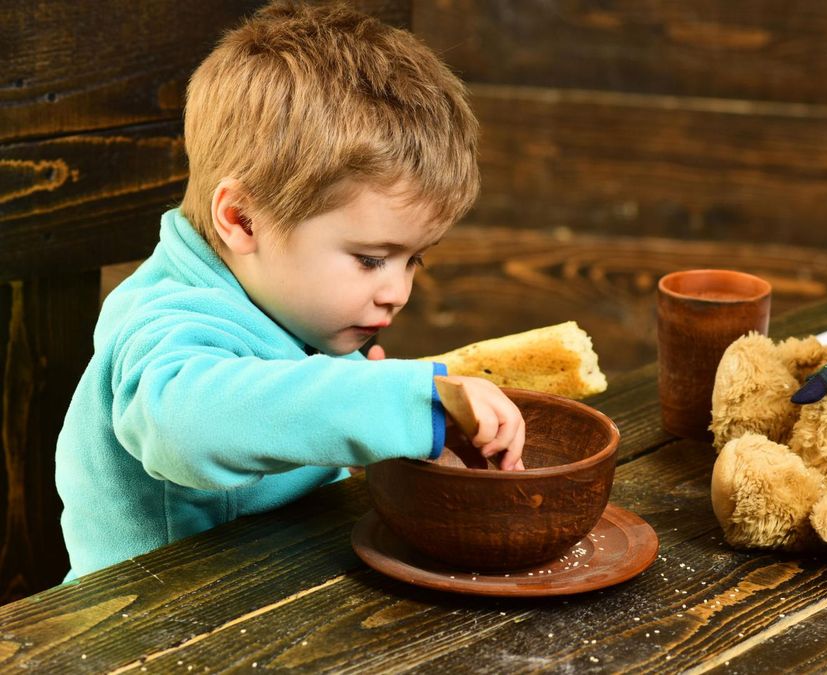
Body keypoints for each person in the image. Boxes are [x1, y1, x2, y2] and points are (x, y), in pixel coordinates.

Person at [55, 0, 525, 580]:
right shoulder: (166, 322)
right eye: (371, 259)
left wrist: (371, 426)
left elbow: (299, 432)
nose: (397, 292)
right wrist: (392, 402)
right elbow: (186, 429)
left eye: (414, 261)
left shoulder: (289, 305)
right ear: (244, 220)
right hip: (148, 634)